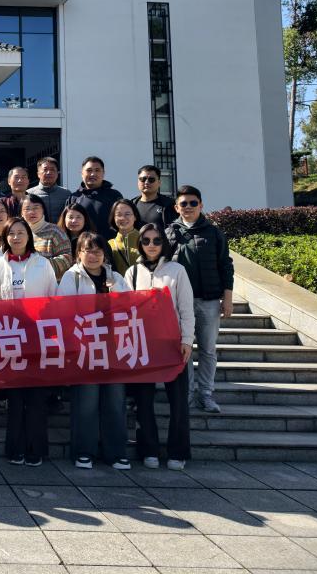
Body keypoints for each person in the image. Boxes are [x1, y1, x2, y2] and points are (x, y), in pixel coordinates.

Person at [0, 218, 58, 466]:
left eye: (21, 233)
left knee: (36, 396)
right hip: (11, 334)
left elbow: (53, 297)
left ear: (29, 236)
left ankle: (36, 448)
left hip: (37, 335)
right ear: (5, 237)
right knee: (15, 396)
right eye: (11, 233)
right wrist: (8, 311)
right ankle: (15, 448)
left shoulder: (43, 264)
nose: (16, 237)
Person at [57, 232, 130, 470]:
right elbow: (63, 312)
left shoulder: (116, 278)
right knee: (86, 402)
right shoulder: (72, 277)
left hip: (114, 348)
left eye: (98, 251)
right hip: (85, 348)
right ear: (79, 253)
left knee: (115, 401)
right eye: (88, 250)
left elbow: (130, 308)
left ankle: (116, 452)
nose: (93, 255)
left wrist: (114, 294)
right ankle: (83, 451)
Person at [125, 223, 194, 470]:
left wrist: (187, 340)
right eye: (146, 241)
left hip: (172, 343)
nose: (151, 245)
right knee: (143, 401)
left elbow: (186, 309)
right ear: (139, 244)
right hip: (143, 344)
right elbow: (126, 310)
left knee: (178, 401)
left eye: (156, 240)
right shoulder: (132, 272)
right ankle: (149, 449)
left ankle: (178, 452)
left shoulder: (177, 270)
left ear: (163, 243)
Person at [165, 185, 234, 414]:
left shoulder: (213, 233)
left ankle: (205, 394)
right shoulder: (169, 233)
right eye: (183, 203)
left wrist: (227, 297)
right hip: (178, 304)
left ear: (201, 205)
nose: (188, 207)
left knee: (207, 350)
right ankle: (186, 394)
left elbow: (226, 265)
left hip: (208, 300)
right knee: (182, 349)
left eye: (193, 203)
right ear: (176, 207)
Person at [66, 156, 123, 240]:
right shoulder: (74, 197)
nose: (93, 174)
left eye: (97, 170)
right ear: (81, 173)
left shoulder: (114, 195)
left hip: (110, 245)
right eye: (89, 170)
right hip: (82, 246)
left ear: (103, 173)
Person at [21, 193, 71, 279]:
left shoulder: (55, 231)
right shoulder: (18, 233)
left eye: (36, 208)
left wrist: (40, 267)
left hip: (51, 283)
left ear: (43, 210)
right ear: (21, 213)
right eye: (27, 209)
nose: (32, 212)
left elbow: (67, 258)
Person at [131, 165, 179, 230]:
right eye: (143, 179)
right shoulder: (131, 205)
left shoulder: (170, 205)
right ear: (138, 182)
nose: (146, 182)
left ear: (159, 183)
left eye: (151, 179)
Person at [27, 157, 72, 223]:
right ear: (38, 174)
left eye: (52, 170)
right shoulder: (29, 194)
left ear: (57, 174)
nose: (49, 173)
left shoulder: (66, 194)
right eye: (45, 169)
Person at [108, 199, 141, 276]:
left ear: (135, 217)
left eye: (127, 214)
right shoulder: (109, 244)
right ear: (113, 218)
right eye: (119, 215)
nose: (123, 218)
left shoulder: (146, 240)